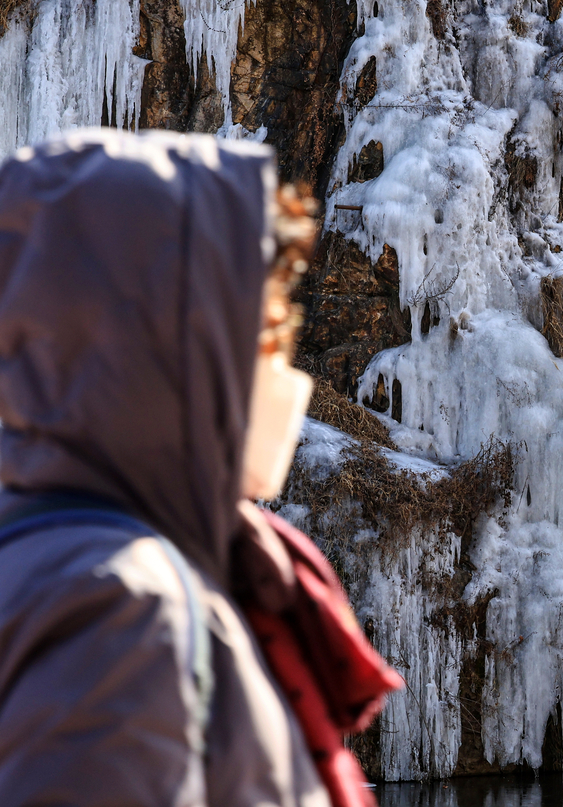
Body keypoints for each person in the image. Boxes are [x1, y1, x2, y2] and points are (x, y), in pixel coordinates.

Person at [0, 129, 401, 806]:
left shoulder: (56, 562)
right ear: (170, 356)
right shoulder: (122, 610)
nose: (280, 371)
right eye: (265, 337)